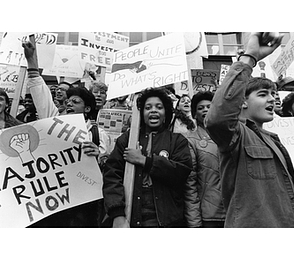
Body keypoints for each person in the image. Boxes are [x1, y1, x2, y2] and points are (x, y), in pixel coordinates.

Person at [206, 32, 294, 228]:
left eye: (273, 94)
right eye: (263, 94)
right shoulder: (236, 136)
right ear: (242, 103)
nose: (272, 99)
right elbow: (218, 118)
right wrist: (250, 57)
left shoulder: (274, 141)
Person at [22, 40, 109, 227]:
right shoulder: (55, 121)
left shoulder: (97, 133)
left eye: (75, 101)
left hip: (82, 202)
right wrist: (32, 63)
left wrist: (98, 155)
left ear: (86, 108)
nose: (69, 103)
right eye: (68, 100)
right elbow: (41, 95)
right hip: (53, 198)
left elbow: (107, 167)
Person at [103, 87, 192, 228]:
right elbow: (112, 176)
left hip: (166, 218)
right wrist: (118, 214)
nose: (153, 110)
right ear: (141, 114)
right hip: (130, 214)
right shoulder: (127, 140)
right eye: (148, 107)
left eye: (159, 107)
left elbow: (181, 172)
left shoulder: (177, 141)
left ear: (166, 113)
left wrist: (145, 161)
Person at [185, 91, 226, 228]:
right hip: (210, 215)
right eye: (200, 108)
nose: (205, 110)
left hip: (235, 211)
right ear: (194, 114)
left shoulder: (232, 135)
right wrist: (194, 222)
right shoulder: (190, 140)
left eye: (209, 106)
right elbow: (190, 185)